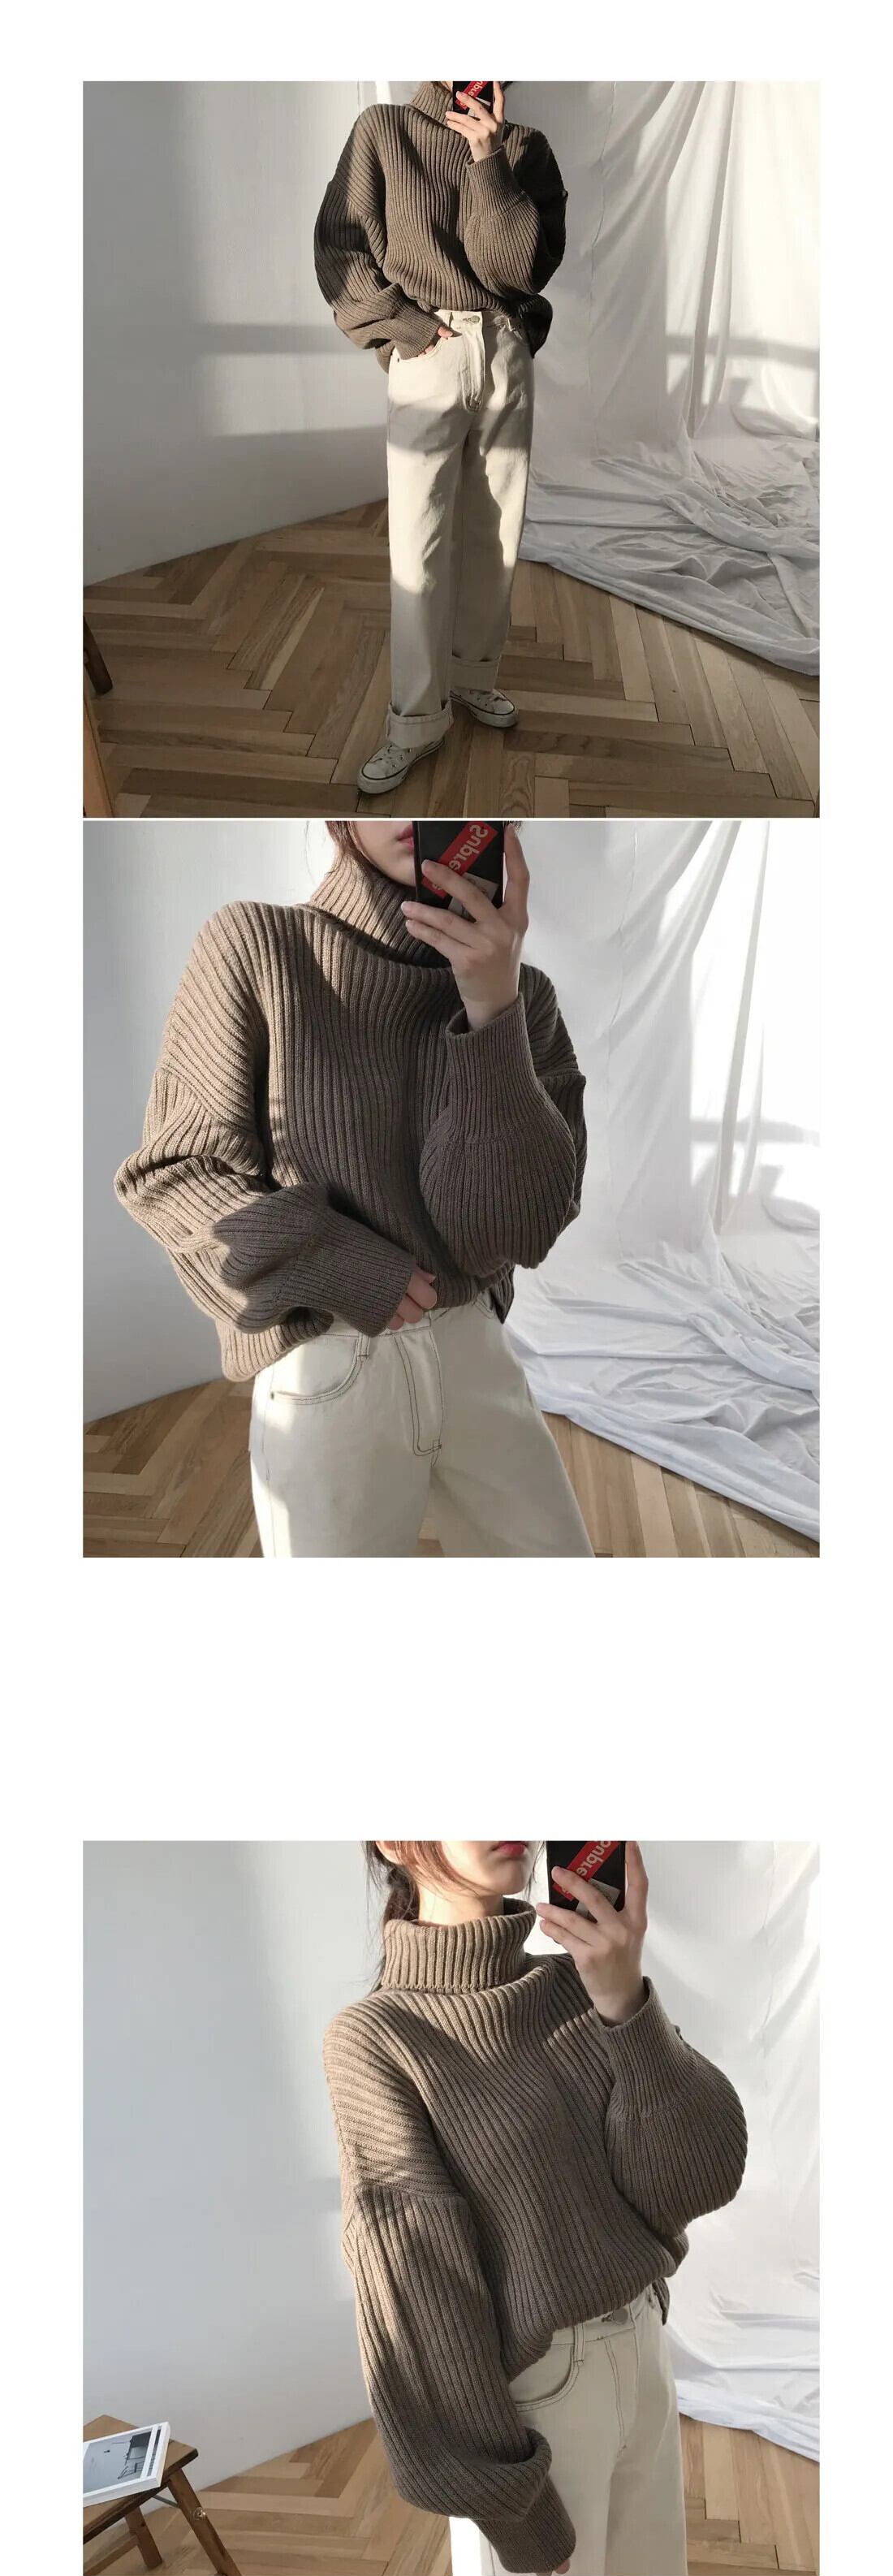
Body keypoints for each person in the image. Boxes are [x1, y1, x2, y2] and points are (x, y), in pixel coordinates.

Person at [114, 823, 593, 1558]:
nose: (420, 809)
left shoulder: (524, 998)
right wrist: (334, 1260)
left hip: (476, 1356)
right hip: (329, 1361)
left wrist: (493, 1013)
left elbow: (516, 1230)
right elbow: (172, 1177)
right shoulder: (258, 947)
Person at [323, 1842, 748, 2576]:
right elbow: (417, 2288)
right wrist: (509, 2503)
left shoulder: (579, 1983)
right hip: (537, 2402)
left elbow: (701, 2175)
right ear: (393, 1839)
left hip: (644, 2350)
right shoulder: (376, 2039)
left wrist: (627, 2003)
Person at [314, 83, 567, 793]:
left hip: (506, 350)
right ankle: (416, 722)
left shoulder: (526, 150)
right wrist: (407, 329)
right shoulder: (383, 130)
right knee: (418, 546)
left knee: (496, 534)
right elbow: (340, 247)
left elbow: (517, 270)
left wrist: (489, 162)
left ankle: (474, 677)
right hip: (428, 351)